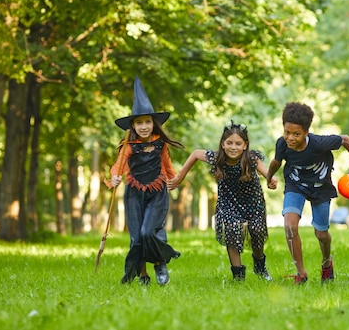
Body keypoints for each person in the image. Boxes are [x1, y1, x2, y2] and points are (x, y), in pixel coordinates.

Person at [265, 102, 349, 284]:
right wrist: (269, 177)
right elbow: (276, 161)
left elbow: (345, 140)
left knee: (321, 234)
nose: (290, 138)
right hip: (295, 185)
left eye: (296, 134)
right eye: (287, 132)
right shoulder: (282, 143)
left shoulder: (319, 143)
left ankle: (327, 262)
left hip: (320, 188)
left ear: (306, 132)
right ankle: (301, 273)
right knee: (289, 226)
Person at [168, 121, 277, 281]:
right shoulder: (216, 158)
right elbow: (196, 154)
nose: (233, 147)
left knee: (257, 231)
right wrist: (179, 177)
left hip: (253, 201)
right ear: (223, 144)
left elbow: (268, 174)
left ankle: (260, 266)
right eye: (229, 143)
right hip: (228, 202)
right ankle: (238, 275)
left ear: (245, 145)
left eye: (238, 143)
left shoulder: (251, 158)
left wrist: (271, 180)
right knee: (232, 230)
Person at [110, 76, 183, 286]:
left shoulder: (161, 144)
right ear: (133, 125)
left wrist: (174, 179)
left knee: (148, 231)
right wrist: (114, 177)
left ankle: (160, 262)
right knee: (137, 238)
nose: (144, 126)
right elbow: (119, 164)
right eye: (139, 122)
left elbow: (167, 165)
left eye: (148, 122)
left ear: (154, 123)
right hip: (134, 193)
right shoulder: (129, 144)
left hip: (157, 192)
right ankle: (143, 275)